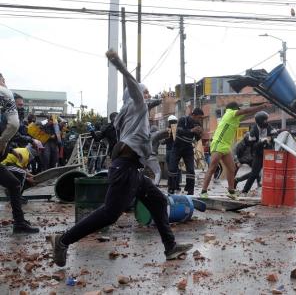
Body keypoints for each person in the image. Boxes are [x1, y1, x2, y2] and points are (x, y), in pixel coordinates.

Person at [50, 77, 193, 268]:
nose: (148, 94)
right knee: (110, 214)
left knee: (158, 200)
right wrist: (124, 70)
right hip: (125, 168)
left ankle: (170, 247)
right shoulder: (136, 107)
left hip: (132, 168)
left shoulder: (133, 115)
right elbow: (136, 94)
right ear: (136, 95)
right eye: (145, 91)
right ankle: (62, 241)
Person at [200, 101, 270, 199]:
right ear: (235, 109)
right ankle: (203, 191)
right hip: (218, 143)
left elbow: (247, 113)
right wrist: (261, 106)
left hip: (226, 146)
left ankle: (231, 191)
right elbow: (245, 110)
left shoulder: (235, 117)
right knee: (212, 168)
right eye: (239, 109)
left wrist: (258, 110)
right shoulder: (230, 113)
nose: (240, 111)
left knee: (232, 169)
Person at [0, 72, 39, 233]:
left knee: (14, 184)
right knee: (15, 183)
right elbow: (14, 125)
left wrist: (10, 150)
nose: (4, 82)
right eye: (2, 79)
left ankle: (19, 222)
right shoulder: (5, 96)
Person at [236, 111, 277, 195]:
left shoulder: (269, 127)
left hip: (269, 153)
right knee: (254, 173)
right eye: (264, 120)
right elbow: (252, 146)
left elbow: (275, 135)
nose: (266, 122)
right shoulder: (253, 131)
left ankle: (273, 190)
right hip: (258, 154)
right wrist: (261, 141)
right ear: (260, 121)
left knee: (272, 171)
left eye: (266, 120)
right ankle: (245, 191)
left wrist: (271, 138)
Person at [168, 108, 204, 195]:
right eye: (199, 117)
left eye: (201, 118)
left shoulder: (198, 124)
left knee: (191, 170)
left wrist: (199, 133)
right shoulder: (183, 119)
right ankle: (171, 188)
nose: (200, 120)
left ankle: (190, 190)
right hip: (177, 147)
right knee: (172, 168)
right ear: (193, 115)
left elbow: (197, 138)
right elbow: (179, 131)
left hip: (188, 148)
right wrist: (192, 130)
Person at [163, 115, 181, 192]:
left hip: (169, 151)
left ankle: (171, 186)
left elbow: (165, 141)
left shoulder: (168, 130)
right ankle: (177, 185)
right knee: (177, 169)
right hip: (177, 152)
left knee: (170, 169)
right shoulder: (179, 130)